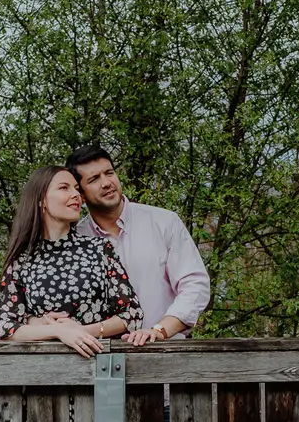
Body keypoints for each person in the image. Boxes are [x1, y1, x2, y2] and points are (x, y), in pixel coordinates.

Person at [66, 143, 209, 345]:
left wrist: (161, 329)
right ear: (80, 194)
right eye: (94, 179)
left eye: (109, 173)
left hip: (166, 352)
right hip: (98, 358)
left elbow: (195, 284)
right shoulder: (75, 240)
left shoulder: (164, 222)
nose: (107, 182)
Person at [0, 165, 142, 357]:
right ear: (41, 201)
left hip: (97, 367)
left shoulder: (99, 249)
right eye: (64, 188)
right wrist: (58, 331)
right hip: (41, 375)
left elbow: (132, 314)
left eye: (76, 189)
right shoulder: (22, 260)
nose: (76, 195)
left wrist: (84, 331)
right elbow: (5, 327)